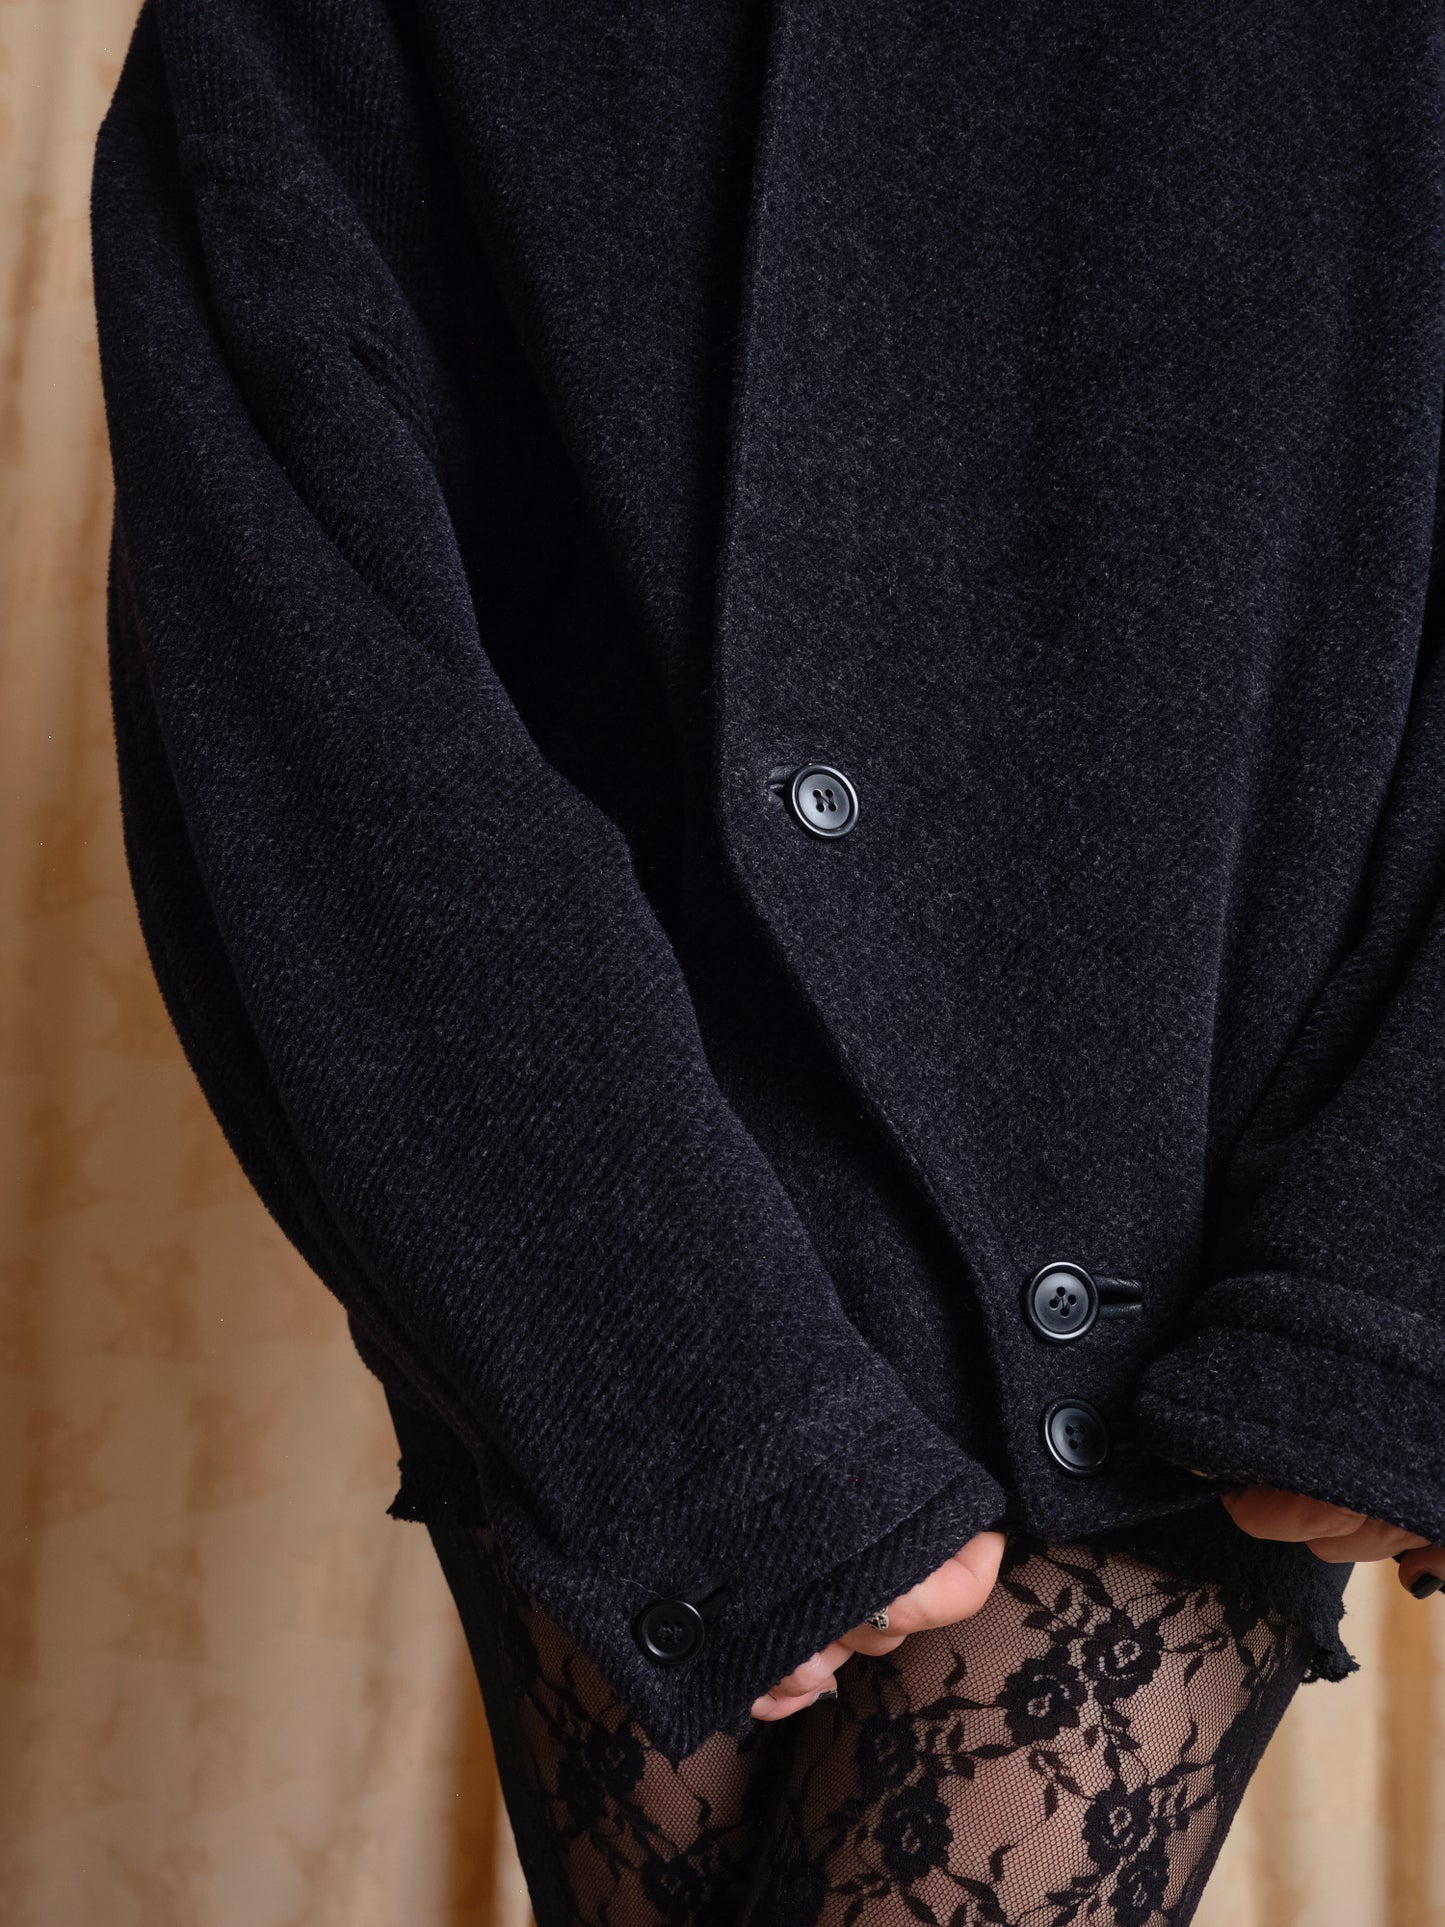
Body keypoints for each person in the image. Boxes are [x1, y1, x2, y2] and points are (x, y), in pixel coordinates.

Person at [91, 2, 1445, 1921]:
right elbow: (289, 636)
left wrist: (1402, 1278)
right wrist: (671, 1389)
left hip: (1197, 1184)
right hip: (614, 1158)